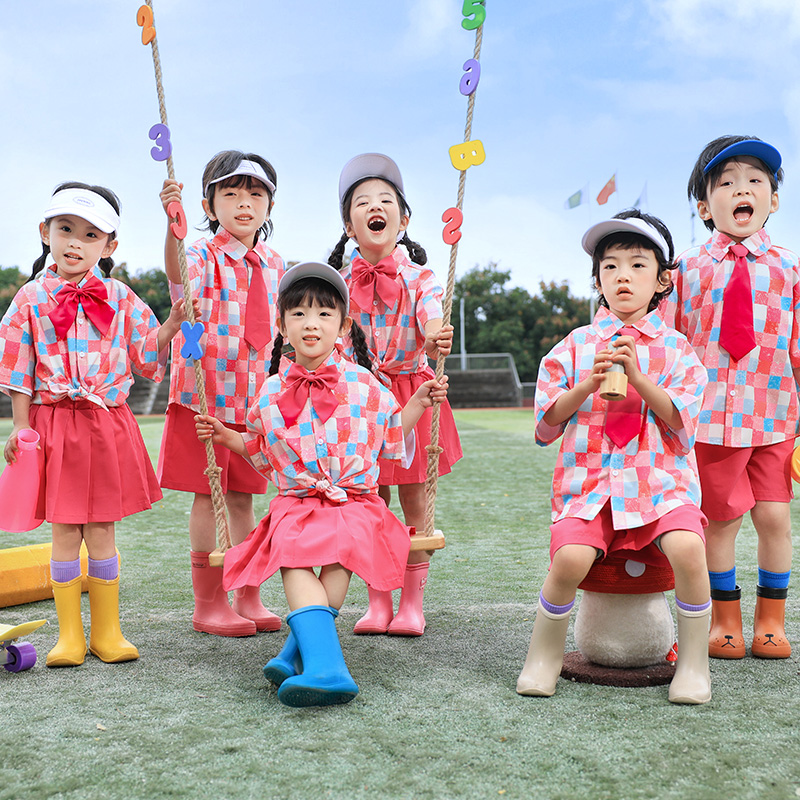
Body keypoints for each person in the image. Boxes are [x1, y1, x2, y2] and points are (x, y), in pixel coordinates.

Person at [195, 262, 448, 706]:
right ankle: (320, 663)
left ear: (344, 326)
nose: (311, 324)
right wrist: (224, 436)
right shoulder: (271, 391)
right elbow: (259, 447)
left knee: (340, 553)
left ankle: (311, 659)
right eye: (299, 314)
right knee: (293, 557)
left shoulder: (365, 384)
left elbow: (390, 431)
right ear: (282, 325)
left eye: (324, 314)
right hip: (297, 500)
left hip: (354, 501)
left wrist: (421, 403)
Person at [517, 211, 712, 704]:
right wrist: (588, 381)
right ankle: (543, 656)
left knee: (690, 549)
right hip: (591, 487)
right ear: (599, 279)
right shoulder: (574, 347)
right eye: (610, 267)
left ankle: (693, 664)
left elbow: (682, 424)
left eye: (637, 265)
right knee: (570, 559)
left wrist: (639, 378)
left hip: (661, 485)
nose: (623, 276)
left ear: (662, 279)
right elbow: (545, 426)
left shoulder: (679, 350)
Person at [0, 182, 187, 667]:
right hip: (54, 424)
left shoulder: (122, 298)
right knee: (64, 532)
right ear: (46, 233)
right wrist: (22, 428)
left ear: (110, 246)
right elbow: (18, 368)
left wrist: (170, 327)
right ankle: (68, 637)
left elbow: (146, 358)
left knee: (101, 530)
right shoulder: (29, 297)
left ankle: (107, 631)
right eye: (65, 229)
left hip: (105, 424)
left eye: (90, 234)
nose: (75, 242)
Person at [665, 136, 798, 660]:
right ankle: (724, 619)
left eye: (755, 181)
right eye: (726, 182)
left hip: (777, 417)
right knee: (719, 522)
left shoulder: (790, 268)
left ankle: (770, 619)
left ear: (774, 199)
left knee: (775, 519)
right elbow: (668, 343)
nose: (742, 189)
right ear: (704, 205)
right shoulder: (684, 271)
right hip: (712, 424)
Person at [328, 153, 462, 637]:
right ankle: (377, 601)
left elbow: (431, 311)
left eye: (386, 201)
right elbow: (331, 337)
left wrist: (432, 335)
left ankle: (412, 603)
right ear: (349, 224)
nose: (374, 207)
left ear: (403, 220)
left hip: (415, 392)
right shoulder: (338, 286)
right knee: (369, 500)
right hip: (360, 400)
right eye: (362, 202)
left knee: (415, 503)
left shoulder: (419, 276)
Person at [157, 151, 286, 637]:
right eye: (230, 193)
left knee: (244, 500)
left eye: (255, 193)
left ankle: (247, 592)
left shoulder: (276, 263)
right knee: (207, 495)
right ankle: (208, 601)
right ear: (210, 206)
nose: (244, 203)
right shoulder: (200, 254)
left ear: (269, 206)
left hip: (253, 404)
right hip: (203, 397)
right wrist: (174, 226)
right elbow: (175, 272)